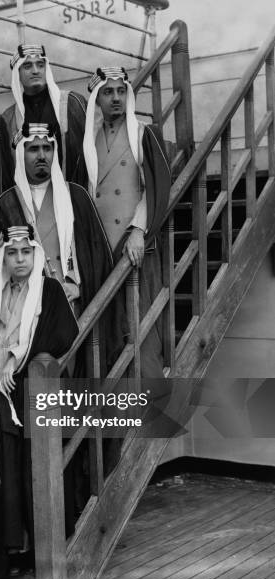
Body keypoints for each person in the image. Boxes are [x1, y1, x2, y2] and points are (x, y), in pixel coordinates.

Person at [0, 225, 78, 574]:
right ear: (3, 257)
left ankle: (48, 547)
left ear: (36, 254)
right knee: (10, 470)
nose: (19, 259)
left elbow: (64, 334)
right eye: (12, 253)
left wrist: (15, 357)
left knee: (39, 468)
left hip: (36, 390)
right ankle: (17, 548)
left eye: (26, 252)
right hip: (4, 394)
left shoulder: (48, 290)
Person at [0, 122, 127, 374]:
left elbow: (98, 256)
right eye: (33, 149)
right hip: (28, 317)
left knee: (78, 380)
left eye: (47, 148)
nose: (42, 155)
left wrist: (81, 286)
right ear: (20, 154)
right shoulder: (6, 203)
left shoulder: (77, 196)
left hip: (75, 306)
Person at [83, 67, 172, 377]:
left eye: (121, 91)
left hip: (134, 247)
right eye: (108, 92)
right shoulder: (87, 140)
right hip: (101, 249)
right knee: (109, 334)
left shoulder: (142, 132)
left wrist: (138, 229)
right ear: (97, 98)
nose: (116, 98)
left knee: (141, 330)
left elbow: (156, 185)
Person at [0, 44, 88, 190]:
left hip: (71, 195)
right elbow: (8, 173)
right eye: (27, 66)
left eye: (40, 65)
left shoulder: (72, 103)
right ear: (17, 73)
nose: (35, 71)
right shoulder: (8, 119)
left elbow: (89, 156)